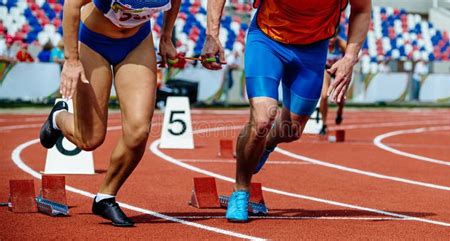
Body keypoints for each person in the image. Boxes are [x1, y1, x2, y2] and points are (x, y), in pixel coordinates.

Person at [201, 0, 371, 222]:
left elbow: (362, 9)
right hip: (267, 40)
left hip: (313, 49)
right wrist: (212, 36)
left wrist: (350, 57)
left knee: (291, 131)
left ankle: (267, 143)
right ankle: (240, 191)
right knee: (263, 118)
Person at [39, 0, 181, 227]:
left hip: (137, 43)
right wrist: (71, 60)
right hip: (93, 42)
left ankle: (105, 197)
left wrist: (166, 37)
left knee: (139, 131)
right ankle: (58, 119)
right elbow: (71, 5)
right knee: (90, 139)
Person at [319, 32, 347, 135]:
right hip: (326, 69)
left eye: (334, 37)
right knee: (324, 96)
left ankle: (340, 111)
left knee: (340, 97)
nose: (331, 40)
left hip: (339, 70)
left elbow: (353, 58)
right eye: (330, 37)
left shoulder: (341, 44)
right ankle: (324, 124)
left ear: (337, 36)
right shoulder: (322, 42)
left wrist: (344, 65)